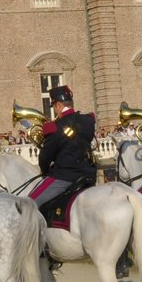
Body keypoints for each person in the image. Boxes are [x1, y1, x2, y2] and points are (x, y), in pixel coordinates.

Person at [28, 85, 97, 218]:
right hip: (88, 174)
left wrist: (44, 170)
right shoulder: (88, 120)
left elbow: (45, 157)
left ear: (59, 104)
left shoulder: (54, 127)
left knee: (29, 204)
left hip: (65, 176)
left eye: (54, 106)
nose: (55, 110)